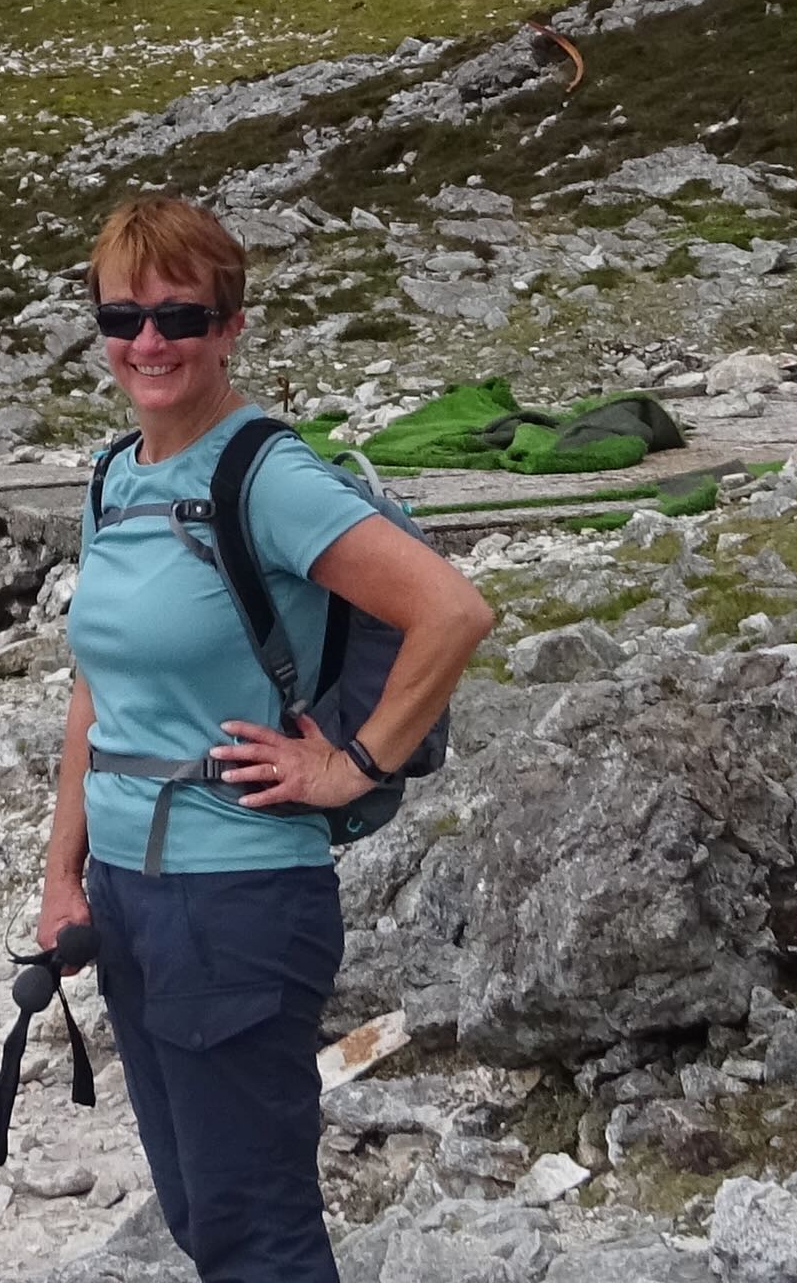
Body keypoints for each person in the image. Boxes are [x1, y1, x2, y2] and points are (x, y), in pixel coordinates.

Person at [37, 194, 493, 1283]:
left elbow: (452, 611)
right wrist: (62, 877)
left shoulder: (267, 478)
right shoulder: (115, 476)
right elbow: (97, 689)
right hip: (131, 898)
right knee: (202, 1211)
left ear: (231, 325)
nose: (150, 342)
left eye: (181, 317)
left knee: (256, 1229)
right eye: (124, 317)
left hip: (235, 895)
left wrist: (350, 766)